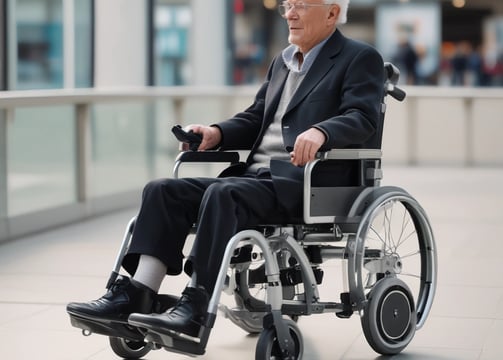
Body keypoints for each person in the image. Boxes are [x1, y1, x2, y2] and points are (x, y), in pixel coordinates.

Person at [67, 0, 384, 340]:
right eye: (287, 5)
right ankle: (137, 294)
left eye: (301, 6)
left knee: (223, 193)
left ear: (332, 13)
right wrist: (215, 133)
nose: (290, 13)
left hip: (303, 182)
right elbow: (256, 117)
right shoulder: (283, 62)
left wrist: (323, 131)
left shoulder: (359, 58)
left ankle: (195, 305)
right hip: (254, 181)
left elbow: (363, 116)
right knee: (162, 190)